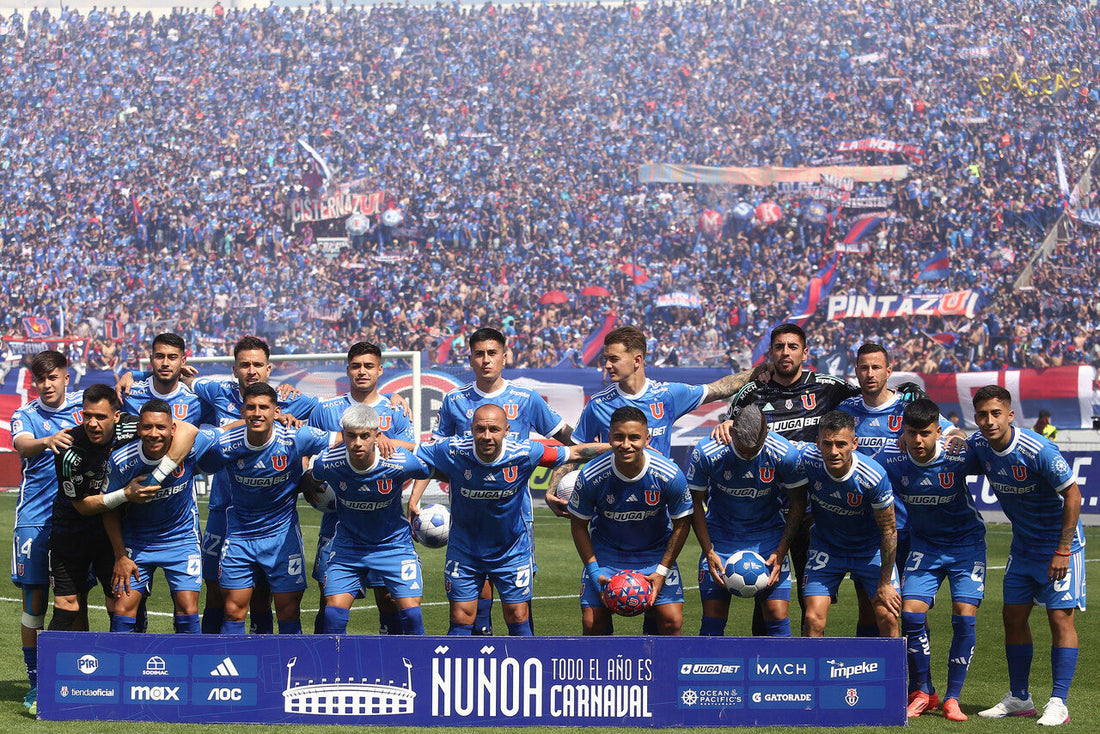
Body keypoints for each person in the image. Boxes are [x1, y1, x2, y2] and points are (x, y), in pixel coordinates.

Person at [420, 327, 576, 636]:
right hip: (469, 514)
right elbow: (433, 456)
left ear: (505, 357)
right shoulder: (454, 400)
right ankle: (480, 649)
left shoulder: (526, 398)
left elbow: (570, 441)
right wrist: (415, 498)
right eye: (479, 354)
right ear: (470, 359)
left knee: (518, 604)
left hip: (514, 515)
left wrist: (555, 483)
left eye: (492, 353)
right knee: (473, 600)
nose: (486, 360)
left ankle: (522, 654)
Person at [725, 325, 877, 636]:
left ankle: (811, 660)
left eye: (793, 347)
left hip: (813, 510)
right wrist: (726, 423)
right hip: (767, 511)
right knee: (765, 592)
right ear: (770, 353)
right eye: (779, 347)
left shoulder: (828, 388)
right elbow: (733, 432)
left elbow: (871, 400)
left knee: (811, 600)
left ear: (805, 353)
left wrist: (911, 395)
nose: (786, 353)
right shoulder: (754, 393)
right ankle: (766, 661)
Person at [410, 404, 606, 636]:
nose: (487, 436)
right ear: (471, 429)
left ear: (506, 430)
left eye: (494, 429)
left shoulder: (524, 452)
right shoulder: (453, 449)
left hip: (512, 551)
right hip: (465, 551)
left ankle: (524, 660)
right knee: (460, 617)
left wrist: (619, 448)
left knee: (518, 615)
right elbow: (412, 449)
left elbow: (575, 453)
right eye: (480, 429)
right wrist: (379, 441)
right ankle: (459, 660)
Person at [969, 386, 1083, 726]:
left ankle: (1059, 702)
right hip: (1023, 547)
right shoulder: (979, 445)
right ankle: (1020, 698)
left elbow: (1073, 495)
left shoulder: (1037, 449)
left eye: (995, 413)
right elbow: (951, 444)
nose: (989, 421)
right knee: (1013, 617)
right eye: (982, 415)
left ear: (1010, 414)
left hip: (1059, 547)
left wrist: (1062, 550)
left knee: (1060, 619)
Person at [189, 336, 318, 634]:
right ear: (234, 369)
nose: (251, 370)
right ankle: (212, 652)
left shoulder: (292, 399)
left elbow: (341, 410)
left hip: (271, 516)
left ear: (269, 368)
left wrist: (394, 401)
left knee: (264, 592)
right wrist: (135, 374)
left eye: (258, 364)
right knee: (216, 591)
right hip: (224, 509)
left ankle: (265, 654)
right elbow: (172, 380)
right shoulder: (217, 391)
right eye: (244, 364)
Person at [48, 384, 197, 636]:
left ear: (116, 416)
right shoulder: (69, 449)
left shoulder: (134, 426)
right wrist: (126, 494)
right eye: (87, 416)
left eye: (100, 417)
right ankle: (55, 661)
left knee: (119, 602)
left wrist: (157, 476)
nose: (92, 423)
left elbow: (187, 429)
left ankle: (128, 658)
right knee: (67, 607)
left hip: (113, 530)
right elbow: (82, 506)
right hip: (71, 530)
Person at [876, 399, 986, 721]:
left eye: (925, 433)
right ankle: (924, 692)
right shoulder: (891, 458)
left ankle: (953, 699)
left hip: (966, 545)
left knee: (963, 617)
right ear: (903, 432)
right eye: (912, 433)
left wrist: (961, 436)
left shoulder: (958, 455)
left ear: (938, 431)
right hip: (925, 546)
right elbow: (864, 474)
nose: (918, 440)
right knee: (911, 614)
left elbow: (993, 458)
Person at [308, 341, 415, 635]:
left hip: (383, 523)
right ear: (347, 370)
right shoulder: (326, 409)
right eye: (356, 366)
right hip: (336, 521)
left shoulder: (394, 409)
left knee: (389, 599)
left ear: (380, 370)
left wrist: (384, 441)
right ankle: (325, 657)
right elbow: (308, 445)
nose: (362, 371)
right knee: (329, 600)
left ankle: (393, 657)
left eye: (369, 366)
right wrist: (308, 480)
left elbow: (412, 447)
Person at [307, 404, 432, 635]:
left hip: (393, 545)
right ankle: (336, 660)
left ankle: (414, 659)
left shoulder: (399, 460)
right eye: (351, 435)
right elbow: (311, 479)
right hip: (348, 547)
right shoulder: (328, 461)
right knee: (332, 614)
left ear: (377, 435)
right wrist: (311, 492)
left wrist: (414, 500)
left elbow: (430, 467)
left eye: (365, 436)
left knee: (412, 615)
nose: (357, 442)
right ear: (342, 435)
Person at [568, 406, 693, 636]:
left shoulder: (669, 474)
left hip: (654, 553)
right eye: (619, 437)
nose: (626, 444)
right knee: (592, 622)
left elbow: (682, 524)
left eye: (634, 437)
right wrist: (594, 571)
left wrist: (662, 570)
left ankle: (655, 654)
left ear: (647, 438)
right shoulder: (591, 475)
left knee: (672, 621)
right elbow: (578, 526)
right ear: (609, 438)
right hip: (607, 553)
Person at [687, 404, 807, 636]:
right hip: (721, 538)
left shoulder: (784, 453)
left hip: (768, 537)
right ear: (732, 432)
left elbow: (799, 502)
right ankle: (709, 661)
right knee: (713, 616)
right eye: (743, 450)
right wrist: (709, 551)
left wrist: (781, 551)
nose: (749, 455)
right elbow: (695, 503)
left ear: (767, 434)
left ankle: (781, 661)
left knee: (777, 614)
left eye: (755, 450)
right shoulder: (707, 452)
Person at [104, 399, 221, 633]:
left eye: (161, 427)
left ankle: (187, 656)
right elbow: (108, 509)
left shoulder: (190, 447)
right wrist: (120, 556)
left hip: (181, 538)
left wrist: (274, 420)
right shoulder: (121, 460)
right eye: (147, 427)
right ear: (139, 428)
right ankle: (122, 657)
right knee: (123, 609)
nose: (154, 433)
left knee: (188, 608)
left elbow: (225, 429)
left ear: (173, 428)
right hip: (137, 541)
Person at [9, 350, 81, 712]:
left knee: (75, 599)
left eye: (53, 377)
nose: (47, 385)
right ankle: (37, 684)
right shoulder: (26, 414)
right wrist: (47, 441)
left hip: (78, 520)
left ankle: (77, 676)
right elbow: (21, 445)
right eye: (41, 379)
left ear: (67, 377)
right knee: (34, 603)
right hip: (34, 521)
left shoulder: (84, 407)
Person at [796, 410, 900, 638]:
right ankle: (813, 663)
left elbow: (889, 531)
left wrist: (885, 583)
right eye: (827, 444)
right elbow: (771, 441)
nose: (834, 451)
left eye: (841, 444)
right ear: (817, 443)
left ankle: (892, 664)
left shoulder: (873, 476)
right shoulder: (807, 457)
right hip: (827, 548)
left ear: (854, 443)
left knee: (888, 616)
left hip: (869, 550)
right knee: (812, 619)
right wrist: (730, 424)